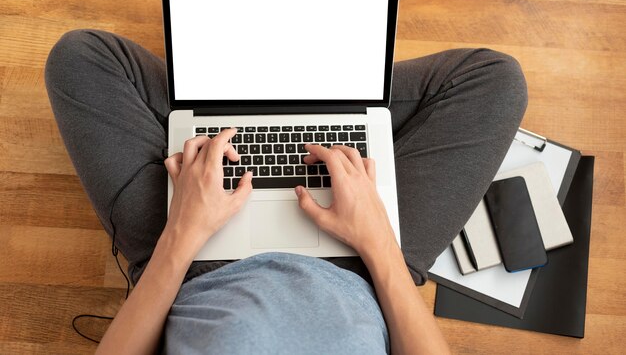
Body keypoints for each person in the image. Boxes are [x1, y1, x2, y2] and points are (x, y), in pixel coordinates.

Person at [45, 29, 527, 354]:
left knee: (81, 56)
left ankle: (238, 95)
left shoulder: (181, 245)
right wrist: (378, 241)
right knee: (494, 81)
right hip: (365, 270)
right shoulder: (373, 253)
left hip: (186, 268)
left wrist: (182, 233)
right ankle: (303, 92)